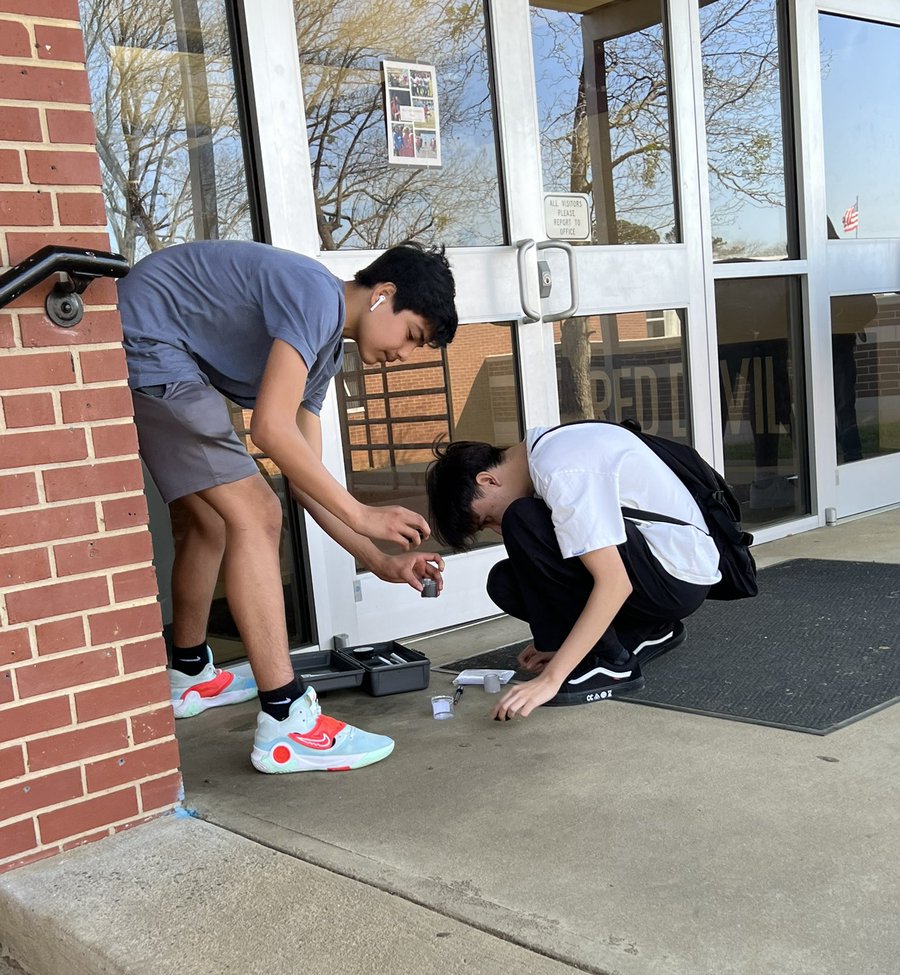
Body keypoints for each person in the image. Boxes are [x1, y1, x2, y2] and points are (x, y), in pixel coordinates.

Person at [117, 239, 457, 772]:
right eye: (412, 335)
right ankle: (286, 719)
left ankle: (189, 672)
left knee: (217, 520)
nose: (405, 355)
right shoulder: (317, 294)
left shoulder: (323, 355)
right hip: (146, 340)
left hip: (155, 345)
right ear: (383, 294)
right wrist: (364, 514)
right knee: (257, 513)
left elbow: (305, 482)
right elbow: (270, 428)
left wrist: (379, 561)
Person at [425, 421, 721, 720]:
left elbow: (615, 583)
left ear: (488, 480)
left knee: (522, 519)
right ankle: (651, 631)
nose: (497, 529)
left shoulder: (559, 466)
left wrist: (551, 678)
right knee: (505, 582)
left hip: (676, 578)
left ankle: (613, 664)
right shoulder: (546, 456)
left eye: (487, 519)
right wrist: (560, 645)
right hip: (660, 575)